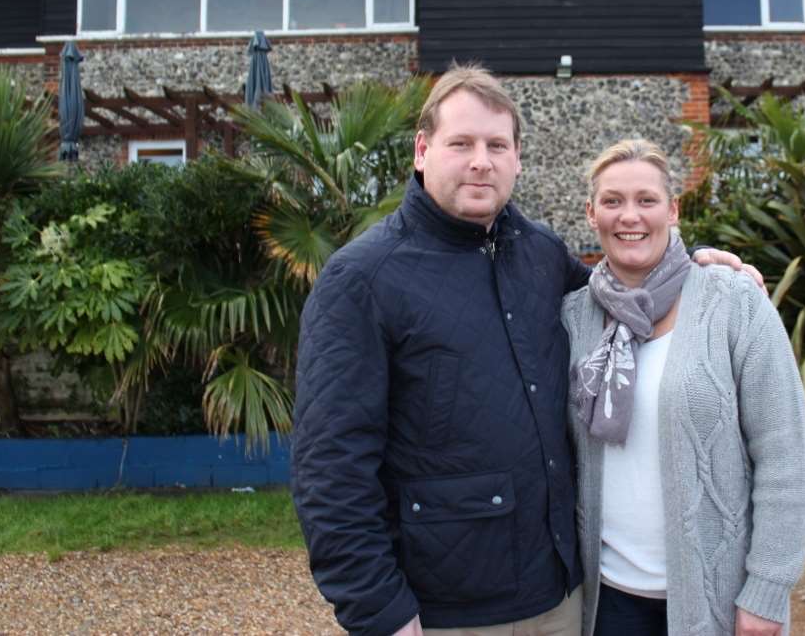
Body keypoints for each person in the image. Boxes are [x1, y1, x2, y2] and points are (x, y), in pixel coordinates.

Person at [291, 65, 761, 636]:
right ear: (422, 150)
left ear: (517, 157)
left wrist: (697, 269)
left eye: (497, 144)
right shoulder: (362, 279)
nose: (480, 161)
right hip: (446, 613)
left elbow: (624, 292)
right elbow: (330, 470)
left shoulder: (540, 253)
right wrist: (381, 612)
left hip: (560, 600)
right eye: (460, 143)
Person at [563, 139, 805, 636]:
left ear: (673, 209)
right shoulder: (574, 316)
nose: (629, 216)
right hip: (606, 602)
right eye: (612, 201)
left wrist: (766, 591)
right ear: (592, 214)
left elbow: (785, 456)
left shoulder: (734, 301)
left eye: (646, 200)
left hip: (716, 598)